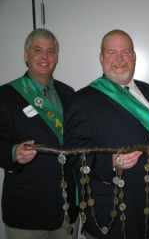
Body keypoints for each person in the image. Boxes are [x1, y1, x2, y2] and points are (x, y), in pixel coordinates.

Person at [63, 29, 149, 239]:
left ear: (134, 57)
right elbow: (72, 151)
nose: (119, 59)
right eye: (112, 53)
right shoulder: (82, 99)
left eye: (125, 52)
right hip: (113, 211)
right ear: (101, 58)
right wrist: (111, 161)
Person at [0, 28, 78, 239]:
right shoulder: (6, 95)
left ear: (57, 57)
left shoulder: (68, 93)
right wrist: (15, 152)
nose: (45, 56)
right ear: (26, 55)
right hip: (27, 213)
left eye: (51, 51)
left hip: (66, 208)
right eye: (38, 50)